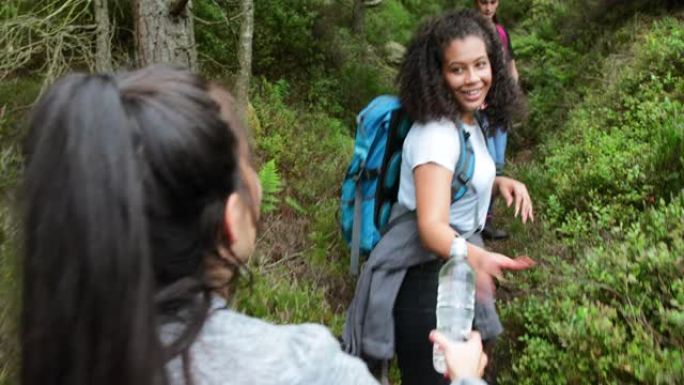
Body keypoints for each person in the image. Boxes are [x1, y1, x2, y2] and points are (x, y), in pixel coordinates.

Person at [20, 65, 490, 385]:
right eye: (250, 165)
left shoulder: (62, 354)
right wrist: (466, 377)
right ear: (229, 221)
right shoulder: (302, 366)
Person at [343, 9, 535, 385]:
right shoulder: (435, 134)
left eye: (480, 64)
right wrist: (480, 257)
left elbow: (455, 179)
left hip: (449, 274)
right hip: (428, 284)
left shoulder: (467, 120)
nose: (473, 78)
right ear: (437, 74)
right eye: (457, 69)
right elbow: (431, 227)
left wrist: (498, 183)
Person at [474, 0, 521, 240]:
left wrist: (514, 96)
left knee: (498, 163)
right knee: (484, 163)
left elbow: (511, 66)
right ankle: (475, 222)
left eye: (492, 2)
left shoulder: (501, 32)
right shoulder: (470, 30)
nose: (488, 7)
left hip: (500, 106)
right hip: (479, 108)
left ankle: (487, 220)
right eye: (483, 2)